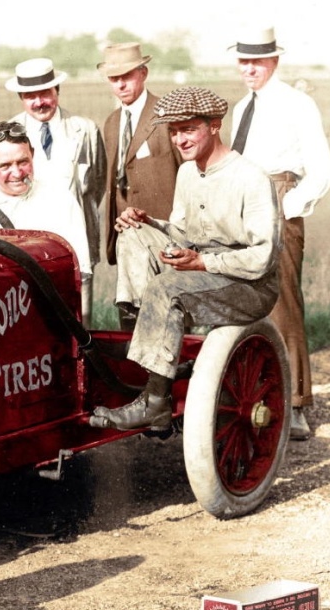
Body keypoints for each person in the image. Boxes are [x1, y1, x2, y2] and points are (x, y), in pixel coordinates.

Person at [92, 87, 280, 431]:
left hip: (249, 286)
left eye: (188, 129)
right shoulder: (188, 173)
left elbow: (262, 258)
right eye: (174, 131)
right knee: (131, 234)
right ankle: (148, 349)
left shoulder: (250, 177)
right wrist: (147, 222)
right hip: (203, 272)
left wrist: (203, 263)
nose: (179, 139)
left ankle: (156, 403)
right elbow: (180, 232)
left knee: (167, 288)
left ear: (214, 125)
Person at [228, 26, 330, 440]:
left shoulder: (297, 104)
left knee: (283, 303)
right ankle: (254, 398)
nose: (249, 68)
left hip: (279, 200)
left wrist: (283, 208)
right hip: (242, 204)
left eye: (257, 60)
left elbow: (321, 171)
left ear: (274, 61)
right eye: (243, 60)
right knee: (243, 302)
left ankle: (296, 406)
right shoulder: (240, 109)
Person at [97, 43, 181, 331]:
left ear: (143, 73)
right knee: (131, 313)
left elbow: (190, 175)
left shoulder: (167, 116)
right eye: (113, 78)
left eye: (127, 76)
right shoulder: (111, 123)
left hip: (164, 234)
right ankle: (135, 373)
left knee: (168, 312)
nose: (120, 84)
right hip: (125, 234)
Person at [7, 58, 106, 274]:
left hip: (74, 236)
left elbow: (97, 185)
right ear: (21, 98)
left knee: (78, 305)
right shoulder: (8, 134)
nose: (39, 102)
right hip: (27, 240)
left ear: (57, 91)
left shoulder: (86, 130)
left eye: (45, 93)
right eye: (30, 96)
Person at [0, 121, 92, 282]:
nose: (17, 173)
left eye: (23, 162)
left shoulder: (60, 199)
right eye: (5, 166)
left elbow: (81, 270)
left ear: (33, 155)